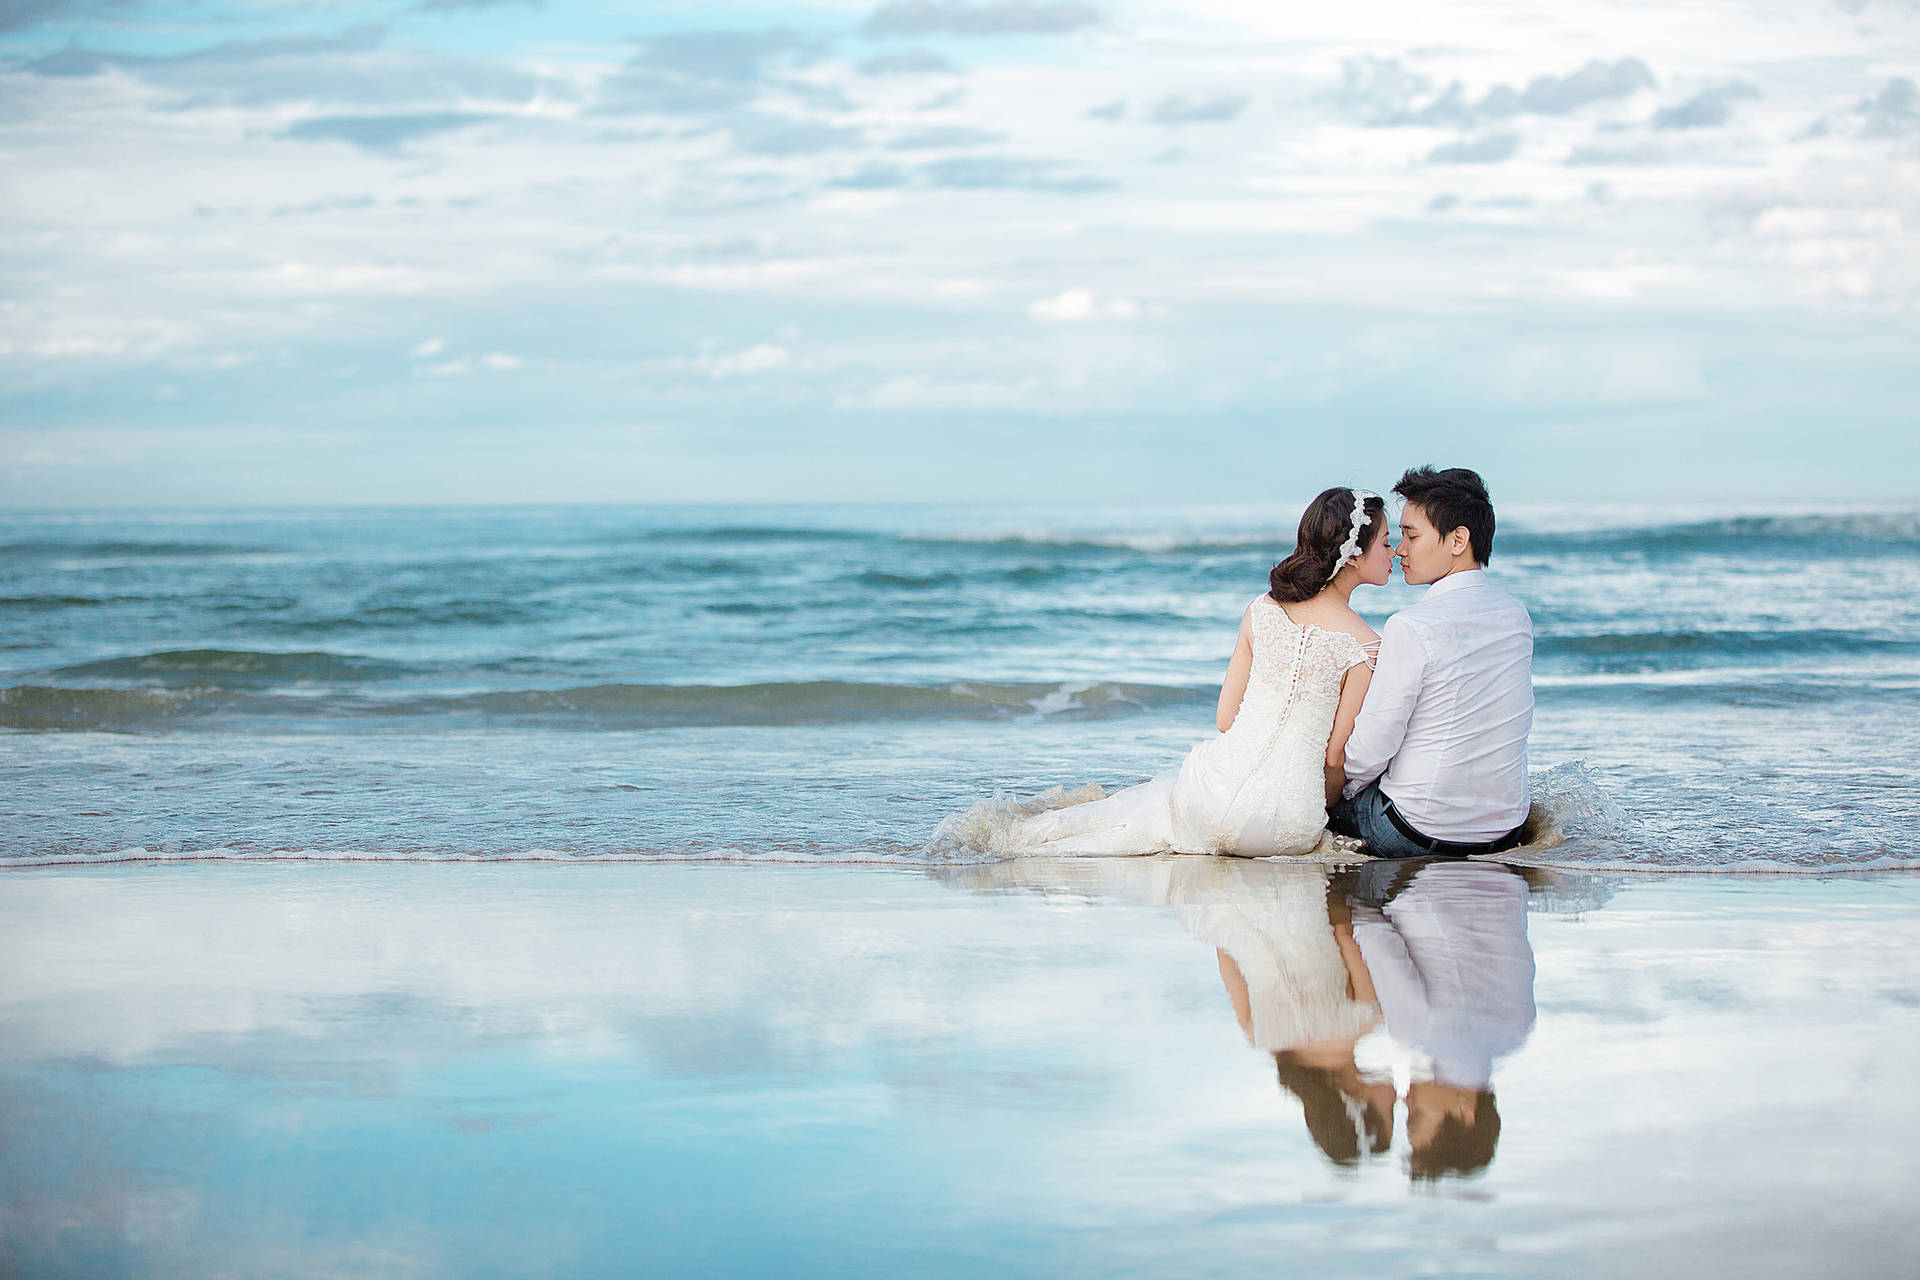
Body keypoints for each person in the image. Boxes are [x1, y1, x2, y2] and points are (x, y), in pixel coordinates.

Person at [994, 487, 1391, 857]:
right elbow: (1335, 758)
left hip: (1210, 799)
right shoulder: (1367, 646)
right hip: (1286, 827)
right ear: (1354, 555)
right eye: (1387, 542)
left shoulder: (1262, 610)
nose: (1394, 552)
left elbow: (1224, 720)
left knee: (1153, 802)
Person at [1331, 466, 1534, 859]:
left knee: (1315, 797)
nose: (1400, 549)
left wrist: (1341, 790)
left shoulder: (1411, 626)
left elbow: (1372, 746)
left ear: (1459, 539)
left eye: (1411, 535)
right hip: (1506, 830)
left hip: (1415, 831)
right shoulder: (1516, 617)